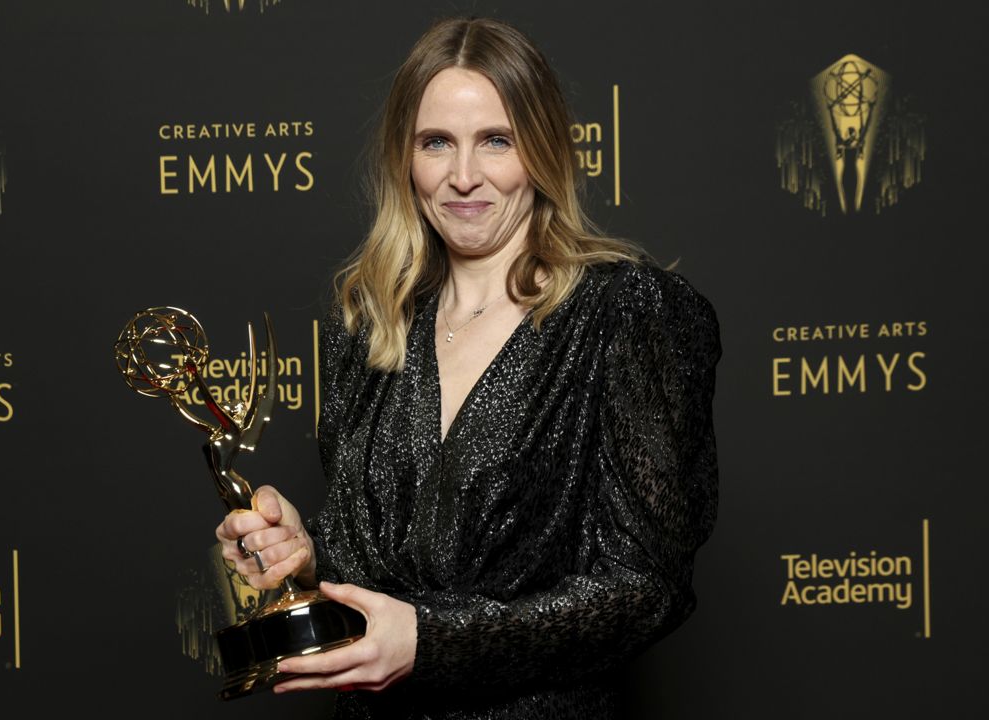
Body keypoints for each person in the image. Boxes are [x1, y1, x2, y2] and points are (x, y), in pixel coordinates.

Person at [216, 16, 721, 719]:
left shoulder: (629, 313)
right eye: (436, 143)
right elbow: (402, 561)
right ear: (405, 158)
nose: (462, 177)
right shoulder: (368, 324)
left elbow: (643, 589)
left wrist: (431, 641)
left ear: (542, 149)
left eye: (495, 141)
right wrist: (308, 553)